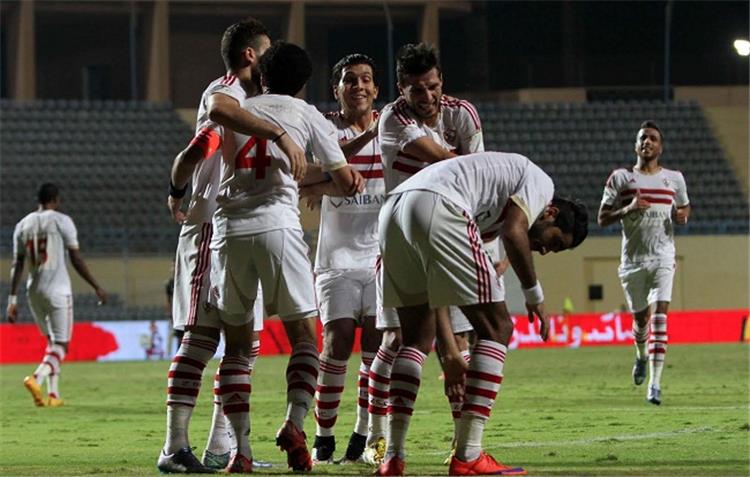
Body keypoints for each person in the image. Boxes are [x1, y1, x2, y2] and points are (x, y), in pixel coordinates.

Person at [195, 41, 363, 473]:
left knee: (236, 349)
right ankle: (294, 422)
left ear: (263, 75)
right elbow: (344, 181)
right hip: (279, 228)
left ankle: (241, 451)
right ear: (304, 82)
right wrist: (343, 178)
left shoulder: (239, 106)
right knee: (305, 339)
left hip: (229, 231)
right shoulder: (306, 115)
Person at [376, 152, 588, 476]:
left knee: (415, 339)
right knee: (498, 328)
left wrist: (449, 350)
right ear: (551, 212)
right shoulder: (541, 183)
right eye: (554, 242)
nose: (544, 250)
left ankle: (393, 458)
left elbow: (439, 288)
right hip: (438, 203)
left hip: (393, 211)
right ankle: (469, 455)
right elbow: (514, 231)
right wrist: (535, 296)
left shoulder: (488, 212)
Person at [159, 18, 298, 474]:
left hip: (237, 229)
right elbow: (200, 145)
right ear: (250, 55)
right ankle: (174, 447)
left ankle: (223, 447)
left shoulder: (252, 100)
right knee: (202, 338)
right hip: (210, 227)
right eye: (267, 50)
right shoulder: (225, 94)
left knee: (245, 343)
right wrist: (179, 189)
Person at [366, 42, 484, 465]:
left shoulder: (463, 113)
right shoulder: (393, 116)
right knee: (398, 339)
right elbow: (452, 166)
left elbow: (476, 175)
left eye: (433, 87)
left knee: (457, 341)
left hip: (448, 235)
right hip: (403, 236)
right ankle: (378, 439)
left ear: (441, 81)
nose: (427, 96)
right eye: (417, 89)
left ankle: (461, 445)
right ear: (402, 88)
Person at [299, 53, 383, 464]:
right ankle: (324, 436)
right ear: (338, 89)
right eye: (351, 80)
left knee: (375, 348)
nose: (359, 86)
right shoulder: (325, 126)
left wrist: (326, 185)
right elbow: (305, 175)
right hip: (336, 258)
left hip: (381, 256)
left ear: (376, 89)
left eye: (366, 79)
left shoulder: (392, 127)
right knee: (336, 342)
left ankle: (363, 435)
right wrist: (327, 181)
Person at [598, 120, 690, 406]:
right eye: (642, 138)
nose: (647, 142)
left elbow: (684, 206)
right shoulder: (621, 178)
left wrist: (682, 215)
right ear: (636, 145)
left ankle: (655, 383)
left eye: (652, 138)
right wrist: (628, 208)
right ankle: (640, 355)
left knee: (660, 315)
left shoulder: (674, 179)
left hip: (663, 256)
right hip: (633, 261)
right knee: (641, 321)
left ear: (660, 147)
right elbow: (602, 218)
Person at [5, 183, 107, 408]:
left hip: (33, 291)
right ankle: (37, 377)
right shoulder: (61, 220)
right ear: (56, 199)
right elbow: (76, 258)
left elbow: (17, 263)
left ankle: (53, 394)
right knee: (62, 345)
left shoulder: (22, 225)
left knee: (51, 342)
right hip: (58, 290)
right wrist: (96, 286)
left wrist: (12, 300)